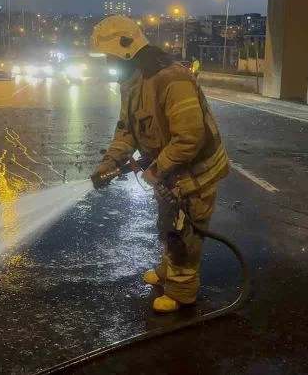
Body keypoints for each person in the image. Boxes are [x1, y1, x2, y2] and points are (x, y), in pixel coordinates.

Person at [89, 16, 230, 313]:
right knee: (168, 222)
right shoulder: (133, 80)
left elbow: (190, 137)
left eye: (108, 55)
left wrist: (155, 168)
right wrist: (110, 161)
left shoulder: (171, 79)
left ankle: (181, 294)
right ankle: (168, 273)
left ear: (125, 49)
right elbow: (127, 128)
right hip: (171, 171)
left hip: (195, 173)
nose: (106, 62)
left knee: (184, 232)